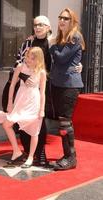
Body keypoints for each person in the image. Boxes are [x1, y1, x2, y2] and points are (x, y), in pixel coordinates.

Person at [2, 15, 52, 167]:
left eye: (41, 24)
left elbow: (59, 62)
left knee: (39, 123)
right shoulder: (28, 42)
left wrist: (78, 66)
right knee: (22, 121)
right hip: (25, 87)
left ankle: (40, 152)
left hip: (44, 85)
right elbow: (18, 61)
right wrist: (24, 76)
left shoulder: (53, 42)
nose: (37, 27)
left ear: (48, 27)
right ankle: (25, 150)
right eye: (36, 24)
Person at [0, 47, 47, 168]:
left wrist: (42, 109)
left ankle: (31, 157)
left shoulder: (42, 72)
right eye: (27, 56)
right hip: (20, 101)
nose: (28, 60)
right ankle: (17, 151)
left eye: (32, 58)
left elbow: (42, 92)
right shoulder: (21, 67)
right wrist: (10, 103)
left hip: (34, 102)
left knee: (34, 131)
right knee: (7, 124)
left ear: (38, 59)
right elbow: (12, 85)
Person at [49, 8, 85, 170]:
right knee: (62, 121)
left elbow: (62, 58)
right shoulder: (59, 38)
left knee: (65, 121)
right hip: (58, 83)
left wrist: (51, 45)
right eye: (60, 17)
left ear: (72, 21)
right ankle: (67, 156)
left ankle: (71, 158)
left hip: (69, 85)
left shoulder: (75, 37)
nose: (62, 20)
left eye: (66, 18)